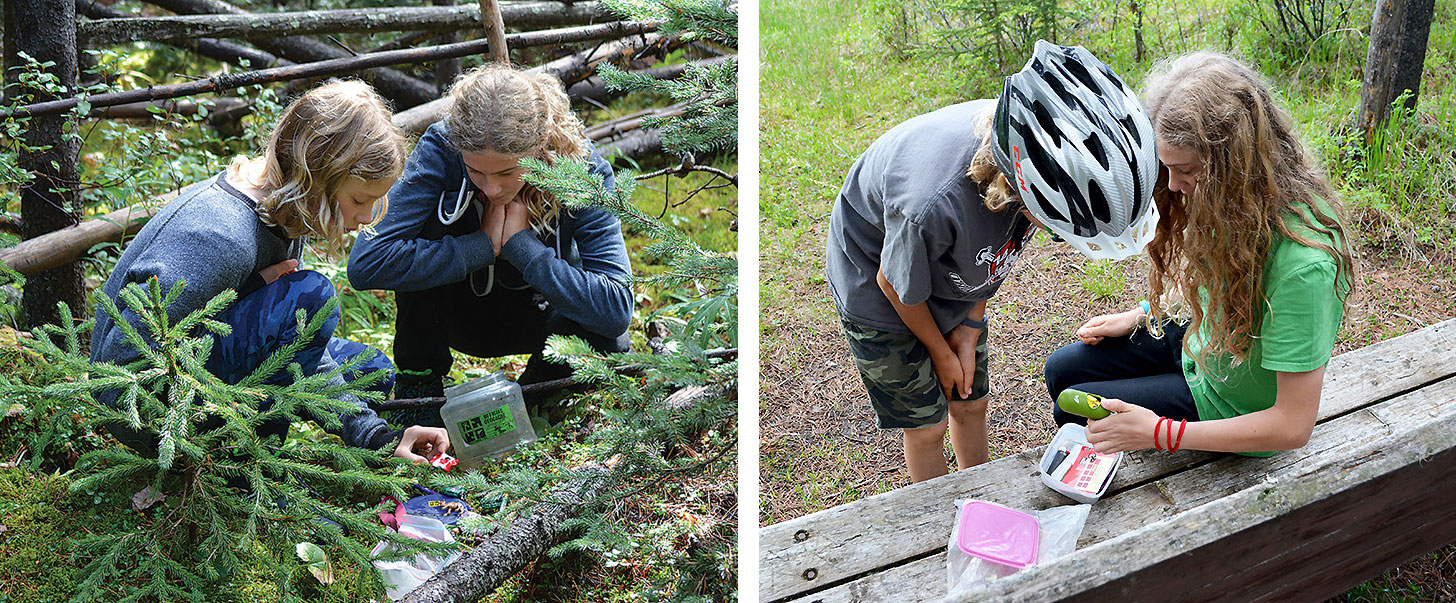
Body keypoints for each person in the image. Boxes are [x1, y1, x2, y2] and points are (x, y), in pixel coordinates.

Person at [825, 41, 1159, 483]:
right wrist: (941, 353)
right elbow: (894, 283)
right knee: (928, 424)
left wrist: (970, 326)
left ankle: (978, 494)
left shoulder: (1035, 157)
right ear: (1019, 185)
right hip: (880, 289)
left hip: (943, 277)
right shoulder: (930, 206)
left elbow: (991, 261)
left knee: (971, 403)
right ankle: (937, 517)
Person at [90, 80, 450, 463]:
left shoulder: (282, 213)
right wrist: (248, 294)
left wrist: (374, 435)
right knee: (312, 297)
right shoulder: (221, 237)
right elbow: (122, 362)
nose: (363, 218)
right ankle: (246, 460)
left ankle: (309, 438)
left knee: (371, 372)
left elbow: (297, 336)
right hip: (151, 412)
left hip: (199, 368)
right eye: (359, 200)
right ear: (317, 175)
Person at [1044, 51, 1356, 456]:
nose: (1173, 185)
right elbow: (1221, 285)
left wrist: (1159, 432)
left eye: (1187, 171)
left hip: (1230, 404)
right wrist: (1144, 315)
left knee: (1075, 409)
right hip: (1206, 345)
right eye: (1167, 167)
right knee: (1062, 370)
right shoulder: (1238, 200)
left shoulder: (1304, 266)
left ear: (1235, 163)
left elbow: (1292, 425)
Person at [348, 64, 633, 418]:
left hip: (541, 316)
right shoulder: (442, 147)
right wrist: (481, 245)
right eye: (476, 171)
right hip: (453, 314)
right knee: (416, 235)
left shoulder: (581, 167)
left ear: (541, 144)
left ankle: (528, 398)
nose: (492, 188)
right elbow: (366, 263)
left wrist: (521, 246)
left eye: (507, 172)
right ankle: (419, 386)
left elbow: (617, 308)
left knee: (610, 338)